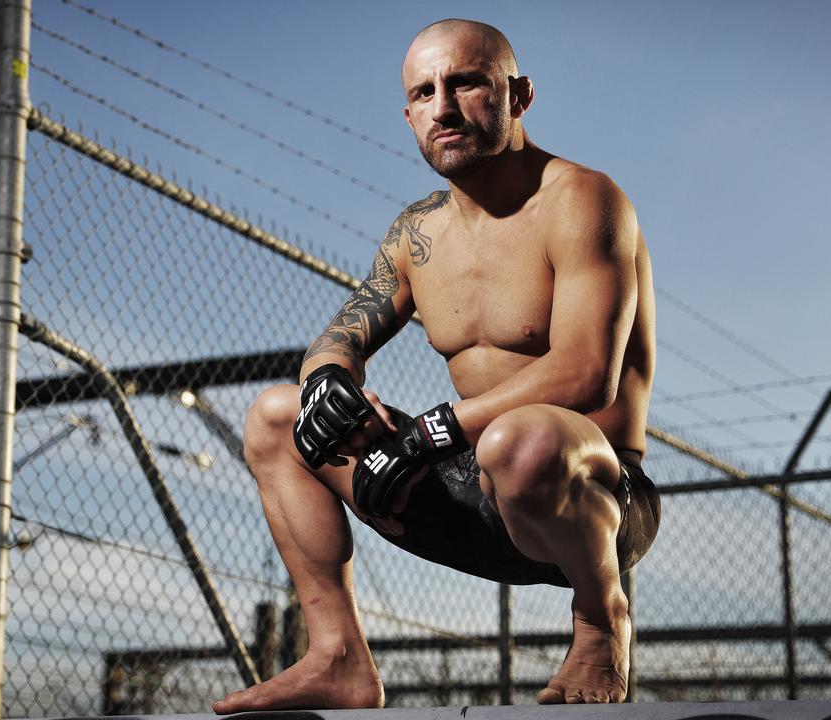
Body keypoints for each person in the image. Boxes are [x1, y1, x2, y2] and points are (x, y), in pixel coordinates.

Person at [213, 17, 659, 711]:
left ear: (519, 94)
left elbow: (585, 372)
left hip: (589, 498)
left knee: (523, 440)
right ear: (408, 113)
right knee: (277, 417)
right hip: (464, 493)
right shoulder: (417, 233)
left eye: (466, 83)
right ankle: (337, 658)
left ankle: (601, 623)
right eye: (424, 93)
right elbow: (344, 332)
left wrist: (428, 433)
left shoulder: (581, 200)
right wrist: (327, 378)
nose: (443, 108)